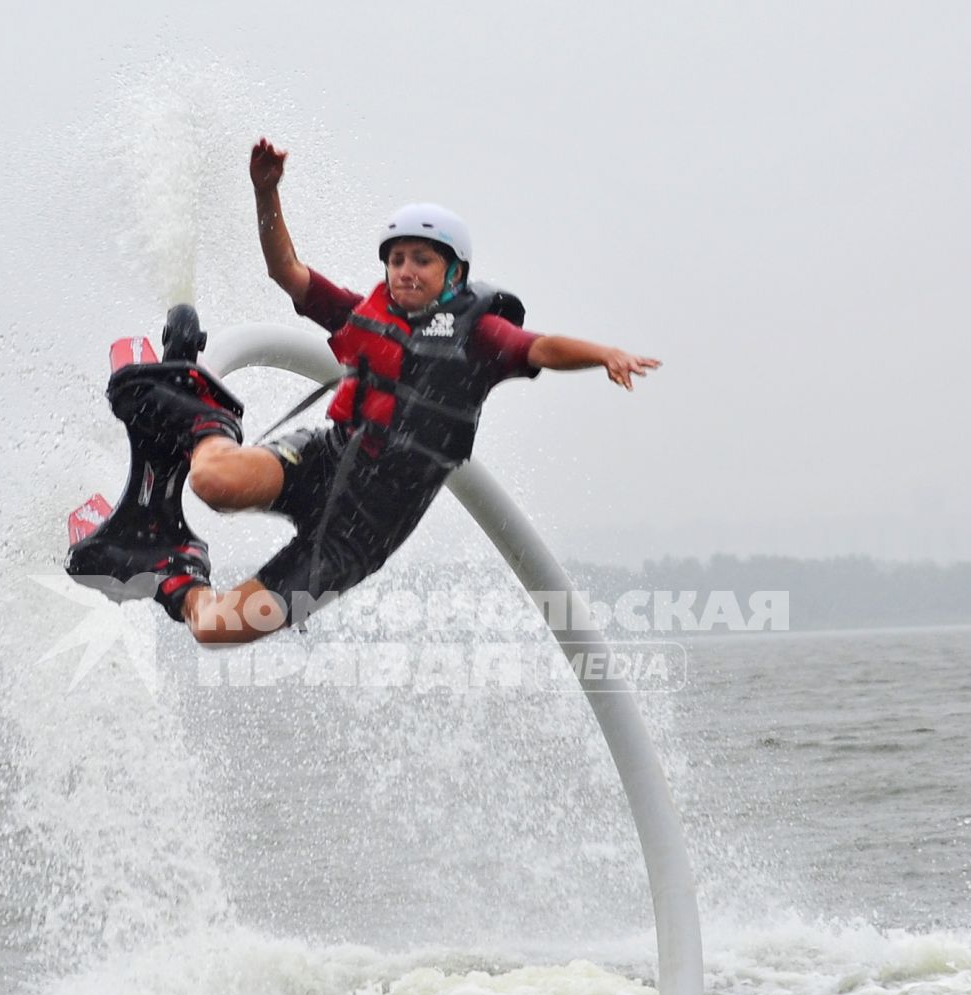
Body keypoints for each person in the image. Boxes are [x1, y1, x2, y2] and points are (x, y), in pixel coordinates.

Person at [85, 137, 661, 645]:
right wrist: (267, 192)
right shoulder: (363, 316)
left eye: (423, 261)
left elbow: (542, 347)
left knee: (215, 629)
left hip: (357, 540)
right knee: (215, 482)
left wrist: (603, 355)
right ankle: (199, 418)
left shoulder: (480, 335)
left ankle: (175, 573)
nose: (406, 270)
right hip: (322, 460)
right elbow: (286, 271)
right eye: (398, 259)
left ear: (453, 273)